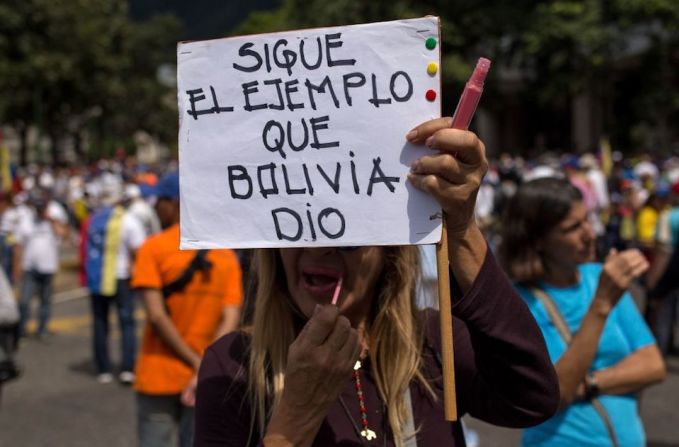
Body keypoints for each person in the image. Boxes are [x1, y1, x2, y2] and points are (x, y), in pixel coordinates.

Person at [194, 118, 560, 446]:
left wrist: (462, 226)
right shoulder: (233, 365)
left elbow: (529, 399)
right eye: (298, 227)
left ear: (387, 253)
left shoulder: (432, 343)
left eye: (346, 235)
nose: (320, 249)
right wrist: (291, 423)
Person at [499, 177, 666, 447]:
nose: (590, 233)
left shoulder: (600, 276)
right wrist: (600, 305)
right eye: (573, 227)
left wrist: (590, 383)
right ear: (538, 240)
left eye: (587, 219)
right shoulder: (519, 303)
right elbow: (558, 393)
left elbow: (653, 365)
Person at [131, 171, 243, 447]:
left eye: (161, 201)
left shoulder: (153, 248)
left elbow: (156, 316)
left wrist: (194, 362)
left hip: (157, 373)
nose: (157, 207)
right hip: (206, 378)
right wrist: (202, 365)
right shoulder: (225, 255)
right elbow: (230, 318)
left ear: (175, 203)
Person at [84, 186, 146, 384]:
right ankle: (127, 368)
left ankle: (103, 369)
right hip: (121, 277)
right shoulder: (128, 220)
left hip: (97, 278)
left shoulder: (92, 220)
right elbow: (139, 249)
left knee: (100, 323)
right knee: (126, 323)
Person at [15, 192, 68, 338]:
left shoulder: (52, 220)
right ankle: (21, 330)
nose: (40, 212)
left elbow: (63, 234)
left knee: (45, 301)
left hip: (48, 267)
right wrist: (17, 268)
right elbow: (18, 246)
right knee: (24, 301)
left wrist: (52, 221)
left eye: (42, 209)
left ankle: (42, 329)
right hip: (30, 267)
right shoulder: (27, 221)